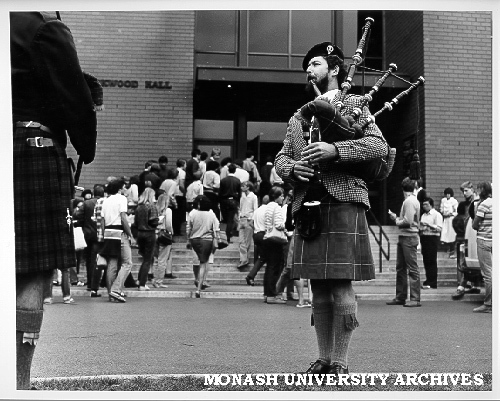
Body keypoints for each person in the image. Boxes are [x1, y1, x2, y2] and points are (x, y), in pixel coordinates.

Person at [275, 41, 387, 375]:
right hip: (308, 204)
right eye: (307, 66)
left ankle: (340, 361)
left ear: (335, 69)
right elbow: (282, 157)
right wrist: (292, 169)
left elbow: (378, 145)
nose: (309, 69)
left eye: (316, 63)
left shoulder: (355, 103)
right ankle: (323, 358)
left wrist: (335, 150)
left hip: (344, 200)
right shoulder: (298, 117)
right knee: (318, 287)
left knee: (340, 285)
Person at [11, 11, 98, 389]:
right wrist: (86, 144)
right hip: (29, 149)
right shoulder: (43, 25)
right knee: (32, 269)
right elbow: (74, 96)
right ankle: (17, 382)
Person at [387, 177, 421, 307]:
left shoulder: (409, 201)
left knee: (411, 268)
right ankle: (402, 296)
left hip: (408, 236)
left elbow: (407, 222)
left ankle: (414, 298)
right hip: (407, 236)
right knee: (402, 267)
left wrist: (396, 220)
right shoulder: (412, 200)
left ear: (403, 189)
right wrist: (397, 218)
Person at [99, 179, 133, 303]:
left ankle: (110, 293)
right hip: (119, 232)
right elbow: (123, 217)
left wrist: (103, 235)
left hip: (108, 232)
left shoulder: (106, 201)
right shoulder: (121, 199)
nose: (125, 189)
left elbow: (102, 220)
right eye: (124, 187)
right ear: (119, 188)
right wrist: (130, 234)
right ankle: (116, 289)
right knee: (127, 263)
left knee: (111, 264)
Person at [452, 181, 482, 299]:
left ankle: (464, 286)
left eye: (466, 190)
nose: (464, 193)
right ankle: (465, 285)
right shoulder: (465, 204)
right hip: (466, 235)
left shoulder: (477, 202)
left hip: (473, 235)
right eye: (462, 191)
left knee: (465, 261)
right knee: (463, 261)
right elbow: (460, 219)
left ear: (472, 189)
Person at [186, 195, 220, 298]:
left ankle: (197, 279)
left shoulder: (192, 213)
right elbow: (216, 227)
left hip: (195, 239)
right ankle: (199, 287)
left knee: (197, 260)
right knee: (203, 263)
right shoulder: (211, 214)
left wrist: (188, 239)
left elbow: (188, 228)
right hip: (207, 240)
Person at [74, 184, 106, 295]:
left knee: (89, 260)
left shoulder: (86, 204)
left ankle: (90, 283)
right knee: (99, 260)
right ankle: (97, 283)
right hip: (101, 235)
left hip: (87, 234)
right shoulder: (105, 203)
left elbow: (78, 216)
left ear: (93, 193)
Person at [471, 181, 492, 313]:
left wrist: (476, 205)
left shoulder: (483, 205)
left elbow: (474, 225)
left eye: (478, 189)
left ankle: (488, 304)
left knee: (488, 274)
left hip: (484, 240)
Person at [134, 187, 159, 290]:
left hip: (140, 233)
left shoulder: (139, 207)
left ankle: (139, 279)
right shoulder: (152, 207)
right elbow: (153, 221)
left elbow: (135, 222)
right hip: (149, 233)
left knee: (144, 258)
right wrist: (159, 221)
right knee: (148, 259)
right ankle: (142, 284)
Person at [419, 197, 443, 290]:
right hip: (424, 236)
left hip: (433, 237)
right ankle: (428, 279)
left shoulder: (436, 215)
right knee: (426, 259)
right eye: (423, 205)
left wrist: (429, 225)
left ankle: (433, 281)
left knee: (432, 259)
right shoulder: (423, 215)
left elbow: (439, 228)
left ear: (431, 205)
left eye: (426, 204)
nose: (424, 206)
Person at [245, 195, 269, 287]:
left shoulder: (257, 210)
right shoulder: (268, 210)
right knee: (264, 257)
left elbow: (250, 222)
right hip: (264, 234)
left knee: (259, 256)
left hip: (256, 235)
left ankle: (251, 276)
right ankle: (251, 276)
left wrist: (256, 228)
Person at [152, 192, 174, 288]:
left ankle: (154, 278)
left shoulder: (154, 209)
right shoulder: (168, 210)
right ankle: (159, 281)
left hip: (154, 234)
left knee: (156, 259)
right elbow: (168, 224)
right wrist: (171, 232)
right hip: (164, 235)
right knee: (163, 259)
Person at [237, 181, 259, 269]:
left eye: (244, 186)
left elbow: (255, 209)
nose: (242, 187)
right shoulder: (242, 196)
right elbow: (240, 207)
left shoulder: (253, 197)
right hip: (242, 218)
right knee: (241, 240)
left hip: (248, 219)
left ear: (248, 187)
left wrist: (252, 219)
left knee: (247, 241)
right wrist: (239, 216)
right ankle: (243, 259)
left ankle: (245, 259)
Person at [219, 164, 242, 243]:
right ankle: (228, 237)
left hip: (224, 201)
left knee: (225, 220)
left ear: (228, 170)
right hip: (233, 200)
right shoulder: (237, 180)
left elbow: (220, 192)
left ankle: (222, 237)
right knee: (230, 220)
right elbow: (239, 193)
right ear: (235, 170)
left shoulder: (223, 180)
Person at [440, 187, 458, 259]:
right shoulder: (443, 200)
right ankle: (447, 248)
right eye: (446, 194)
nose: (447, 195)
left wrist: (451, 214)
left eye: (449, 194)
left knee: (451, 234)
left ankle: (452, 249)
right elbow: (441, 209)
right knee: (445, 233)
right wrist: (443, 214)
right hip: (445, 219)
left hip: (451, 219)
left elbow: (456, 211)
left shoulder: (454, 201)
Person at [173, 158, 187, 236]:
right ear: (183, 164)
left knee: (175, 213)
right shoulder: (182, 173)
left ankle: (175, 230)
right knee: (179, 214)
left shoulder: (174, 171)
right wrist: (185, 192)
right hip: (179, 194)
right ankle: (177, 231)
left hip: (174, 193)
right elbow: (181, 184)